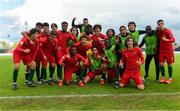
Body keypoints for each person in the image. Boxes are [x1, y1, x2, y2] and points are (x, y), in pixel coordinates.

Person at [56, 21, 78, 86]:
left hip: (65, 51)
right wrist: (57, 47)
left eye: (66, 26)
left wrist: (71, 47)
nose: (64, 27)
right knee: (59, 64)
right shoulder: (58, 32)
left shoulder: (68, 34)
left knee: (66, 64)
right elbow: (55, 39)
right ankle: (59, 78)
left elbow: (76, 41)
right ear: (61, 26)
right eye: (63, 25)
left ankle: (66, 77)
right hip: (59, 51)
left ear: (67, 27)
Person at [156, 19, 175, 84]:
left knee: (169, 65)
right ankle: (163, 78)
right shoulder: (158, 32)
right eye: (159, 24)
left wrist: (166, 39)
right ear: (157, 25)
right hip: (161, 51)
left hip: (169, 51)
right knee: (161, 64)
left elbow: (173, 39)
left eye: (161, 24)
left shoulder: (168, 31)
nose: (160, 25)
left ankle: (170, 78)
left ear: (163, 24)